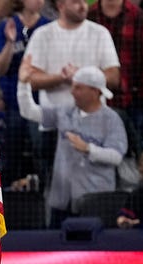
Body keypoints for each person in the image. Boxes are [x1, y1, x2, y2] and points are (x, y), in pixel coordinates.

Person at [19, 0, 120, 199]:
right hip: (54, 125)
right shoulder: (43, 35)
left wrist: (82, 76)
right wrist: (61, 78)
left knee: (95, 189)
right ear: (61, 5)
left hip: (94, 125)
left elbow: (114, 77)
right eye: (75, 1)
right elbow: (31, 78)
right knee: (55, 192)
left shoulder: (100, 33)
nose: (83, 5)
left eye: (84, 1)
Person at [17, 67, 128, 229]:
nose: (72, 92)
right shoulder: (64, 112)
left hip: (95, 200)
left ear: (95, 91)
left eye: (78, 88)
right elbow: (29, 112)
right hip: (62, 199)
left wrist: (88, 148)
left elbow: (116, 156)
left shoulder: (111, 119)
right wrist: (23, 84)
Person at [0, 0, 51, 187]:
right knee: (11, 152)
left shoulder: (48, 26)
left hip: (41, 102)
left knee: (41, 151)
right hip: (13, 102)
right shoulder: (8, 25)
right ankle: (8, 193)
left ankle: (43, 192)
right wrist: (10, 42)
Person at [86, 0, 143, 140]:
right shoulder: (88, 16)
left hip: (131, 104)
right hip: (92, 104)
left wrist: (140, 99)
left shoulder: (139, 18)